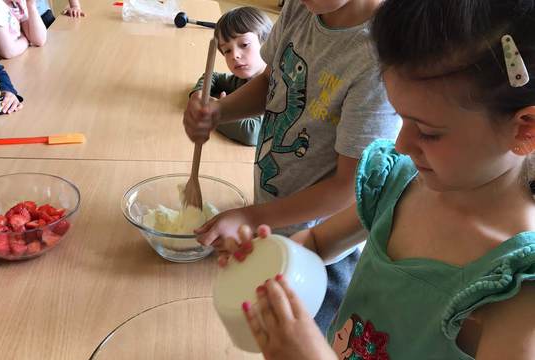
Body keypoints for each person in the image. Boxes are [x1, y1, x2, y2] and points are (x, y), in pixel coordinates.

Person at [224, 0, 535, 358]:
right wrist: (273, 262)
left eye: (429, 132)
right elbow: (316, 243)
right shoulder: (400, 182)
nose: (401, 144)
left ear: (525, 129)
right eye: (402, 118)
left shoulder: (517, 290)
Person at [184, 0, 399, 332]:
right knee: (266, 332)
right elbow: (274, 82)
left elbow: (349, 187)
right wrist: (219, 111)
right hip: (273, 223)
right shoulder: (304, 8)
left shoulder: (379, 59)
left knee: (303, 339)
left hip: (322, 253)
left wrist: (252, 216)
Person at [189, 6, 271, 146]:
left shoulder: (274, 84)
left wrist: (215, 112)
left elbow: (252, 133)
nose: (235, 55)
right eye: (227, 50)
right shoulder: (243, 79)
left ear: (268, 43)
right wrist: (198, 93)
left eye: (244, 44)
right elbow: (213, 76)